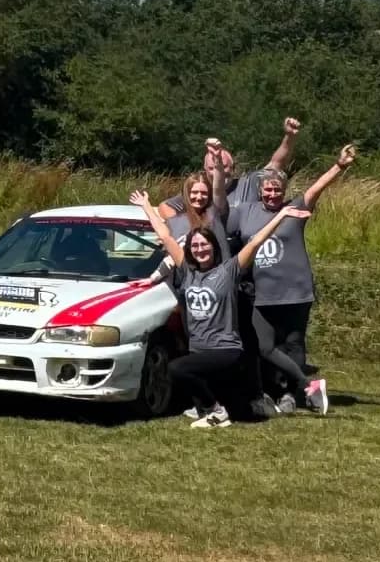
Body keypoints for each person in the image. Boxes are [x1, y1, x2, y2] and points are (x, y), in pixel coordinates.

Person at [131, 188, 310, 428]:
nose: (200, 250)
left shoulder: (228, 271)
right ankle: (223, 407)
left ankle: (216, 411)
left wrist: (280, 216)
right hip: (198, 349)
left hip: (225, 350)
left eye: (205, 245)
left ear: (214, 247)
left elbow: (256, 241)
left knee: (175, 369)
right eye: (195, 246)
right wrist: (146, 205)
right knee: (238, 407)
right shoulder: (187, 271)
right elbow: (165, 236)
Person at [223, 137, 356, 415]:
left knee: (294, 344)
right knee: (264, 346)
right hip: (262, 292)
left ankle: (289, 395)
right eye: (268, 189)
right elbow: (224, 231)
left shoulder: (295, 208)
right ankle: (308, 384)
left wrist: (339, 166)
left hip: (295, 290)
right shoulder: (245, 211)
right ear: (260, 191)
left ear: (284, 190)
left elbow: (317, 188)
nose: (272, 194)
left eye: (277, 189)